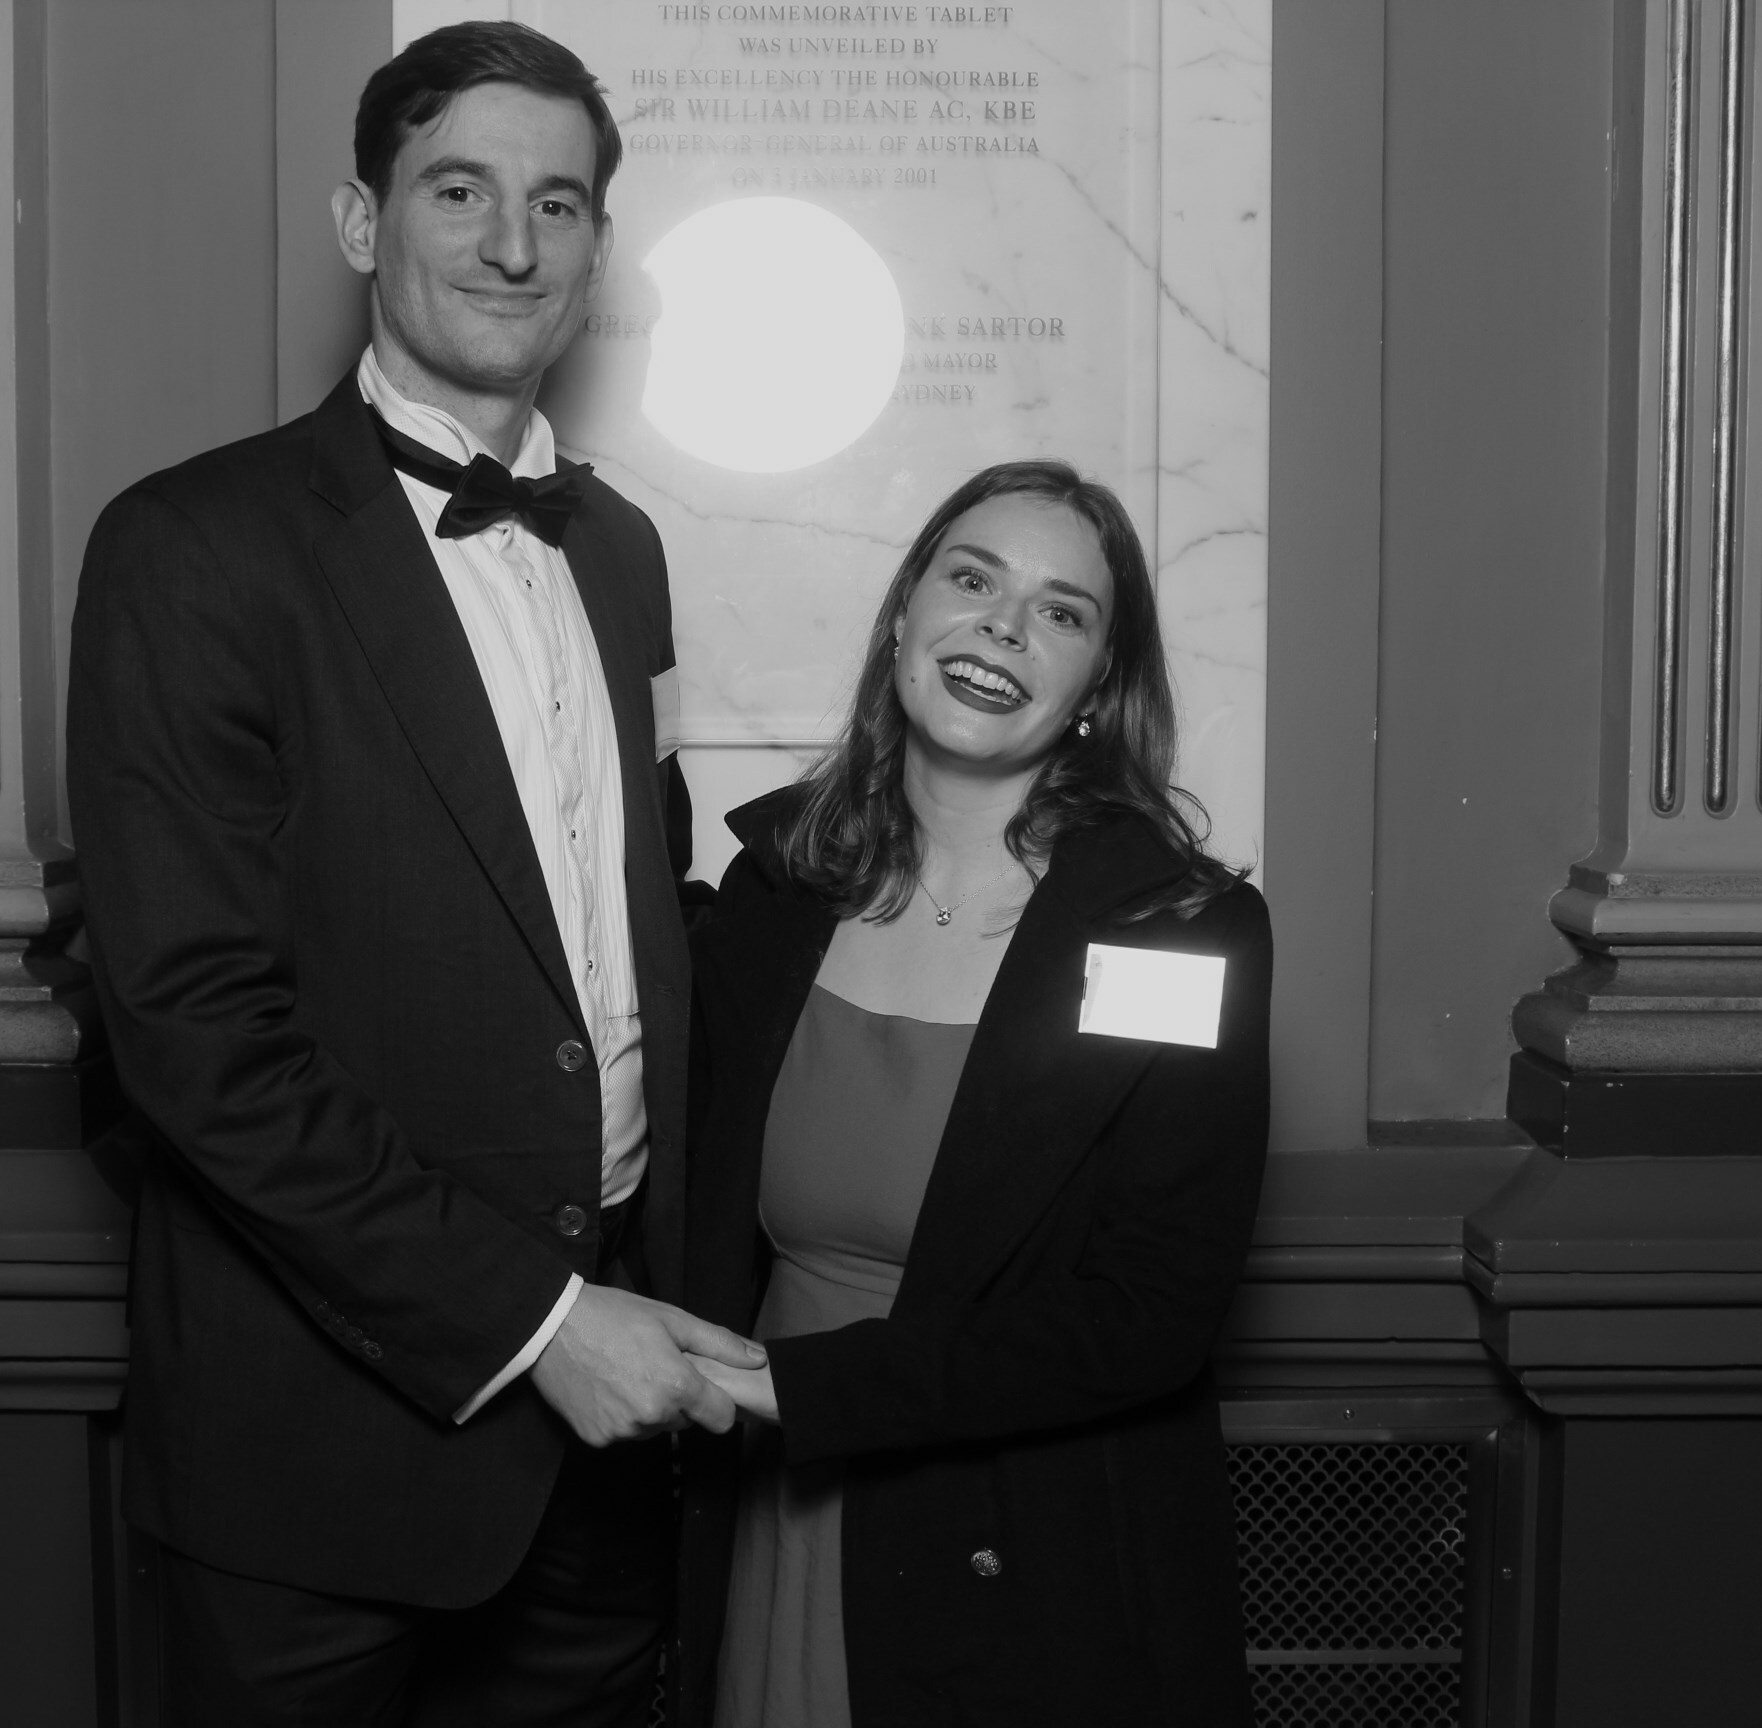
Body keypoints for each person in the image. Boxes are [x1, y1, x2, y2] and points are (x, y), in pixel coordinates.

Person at [64, 23, 762, 1726]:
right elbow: (193, 1031)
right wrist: (541, 1324)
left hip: (614, 1448)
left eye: (557, 203)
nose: (513, 244)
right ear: (362, 221)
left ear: (598, 245)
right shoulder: (189, 546)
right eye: (459, 191)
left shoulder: (619, 551)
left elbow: (631, 933)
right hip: (317, 1459)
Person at [674, 461, 1271, 1727]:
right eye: (972, 579)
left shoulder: (1173, 933)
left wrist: (815, 1392)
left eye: (1061, 611)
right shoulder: (771, 894)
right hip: (767, 1499)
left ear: (1098, 685)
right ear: (906, 613)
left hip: (1023, 1546)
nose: (1004, 627)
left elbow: (1150, 1314)